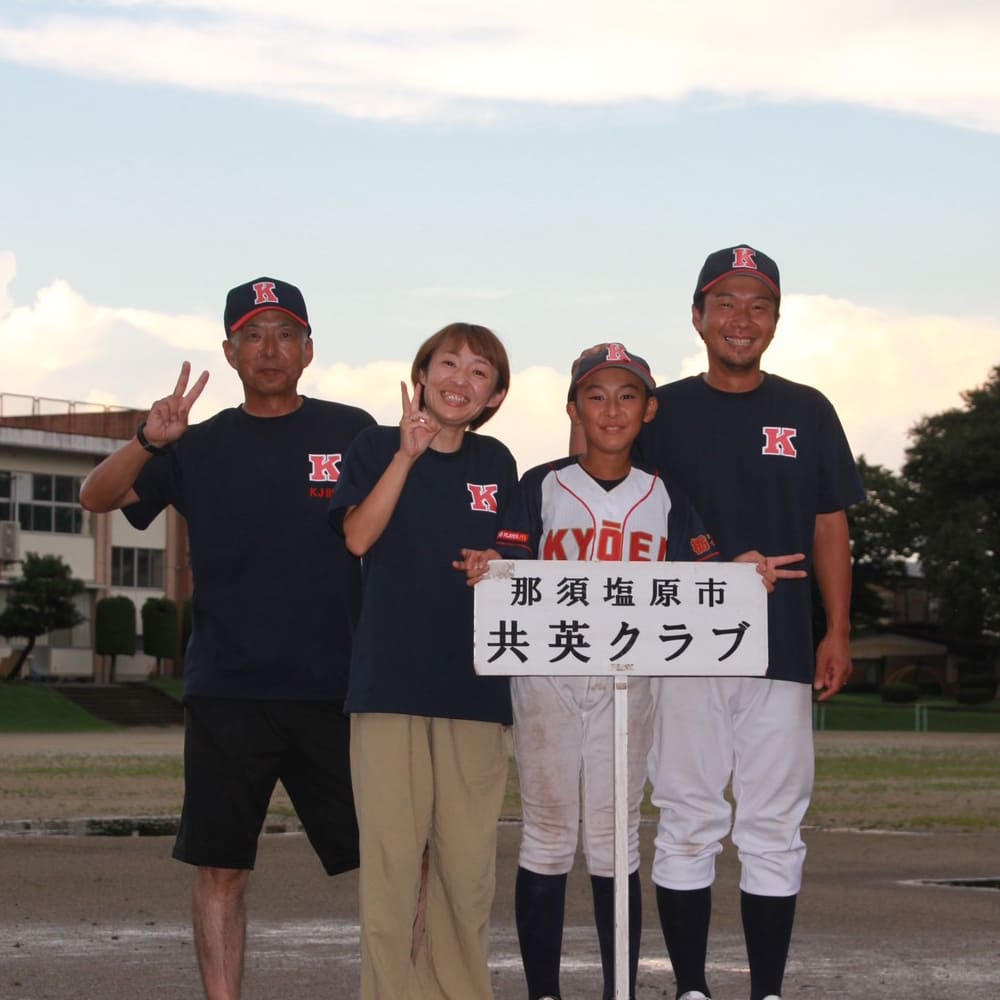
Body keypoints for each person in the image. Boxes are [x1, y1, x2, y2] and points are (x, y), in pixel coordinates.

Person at [463, 344, 803, 1000]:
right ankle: (544, 992)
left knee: (616, 838)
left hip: (630, 679)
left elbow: (701, 571)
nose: (611, 409)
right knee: (548, 834)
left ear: (649, 409)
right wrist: (487, 566)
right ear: (574, 408)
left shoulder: (665, 494)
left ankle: (619, 990)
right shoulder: (541, 484)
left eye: (626, 396)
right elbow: (509, 562)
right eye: (596, 395)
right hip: (548, 679)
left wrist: (742, 572)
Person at [79, 277, 374, 1000]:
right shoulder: (192, 446)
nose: (269, 348)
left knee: (396, 857)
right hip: (227, 691)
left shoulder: (354, 431)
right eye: (253, 334)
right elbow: (97, 497)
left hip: (336, 687)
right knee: (221, 869)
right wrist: (148, 440)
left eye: (284, 333)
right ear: (229, 351)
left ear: (309, 348)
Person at [593, 245, 863, 1000]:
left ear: (775, 318)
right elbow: (615, 503)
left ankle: (767, 989)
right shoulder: (660, 408)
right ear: (697, 316)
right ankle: (690, 989)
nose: (742, 320)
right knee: (686, 818)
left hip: (779, 648)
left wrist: (835, 630)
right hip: (681, 647)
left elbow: (830, 525)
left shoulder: (807, 409)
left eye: (758, 305)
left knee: (774, 826)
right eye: (726, 304)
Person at [328, 322, 517, 1000]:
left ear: (494, 395)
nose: (460, 380)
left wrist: (496, 562)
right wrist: (405, 458)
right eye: (449, 363)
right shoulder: (375, 446)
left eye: (479, 372)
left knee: (467, 874)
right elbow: (355, 538)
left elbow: (514, 556)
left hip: (476, 693)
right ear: (422, 372)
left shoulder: (497, 463)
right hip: (387, 688)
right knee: (390, 867)